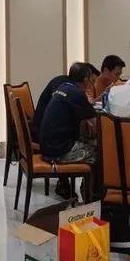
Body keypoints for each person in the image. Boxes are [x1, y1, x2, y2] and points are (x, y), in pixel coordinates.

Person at [39, 62, 98, 201]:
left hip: (48, 146)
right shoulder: (77, 94)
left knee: (90, 141)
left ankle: (88, 193)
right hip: (59, 152)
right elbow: (96, 122)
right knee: (100, 153)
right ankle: (92, 197)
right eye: (91, 80)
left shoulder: (63, 87)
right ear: (85, 80)